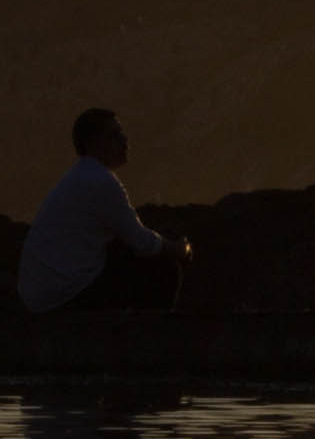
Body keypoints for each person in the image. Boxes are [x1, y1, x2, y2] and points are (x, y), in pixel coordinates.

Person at [18, 107, 189, 314]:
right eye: (115, 135)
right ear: (92, 143)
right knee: (164, 268)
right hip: (65, 295)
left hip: (42, 294)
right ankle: (149, 339)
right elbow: (142, 241)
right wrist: (178, 248)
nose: (124, 140)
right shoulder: (101, 181)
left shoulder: (79, 176)